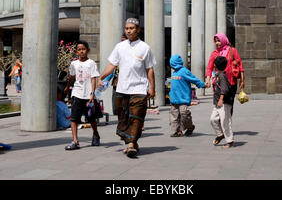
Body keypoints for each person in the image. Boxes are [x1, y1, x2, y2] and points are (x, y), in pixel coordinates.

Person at [97, 18, 156, 158]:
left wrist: (152, 87)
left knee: (136, 117)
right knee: (123, 118)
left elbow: (150, 69)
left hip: (139, 89)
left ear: (138, 29)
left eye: (131, 28)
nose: (128, 31)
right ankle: (133, 143)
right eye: (127, 28)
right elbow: (112, 65)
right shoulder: (119, 47)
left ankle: (130, 144)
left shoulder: (145, 47)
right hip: (122, 89)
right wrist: (101, 77)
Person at [64, 40, 101, 150]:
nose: (81, 51)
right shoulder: (73, 64)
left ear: (87, 50)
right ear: (76, 51)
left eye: (83, 49)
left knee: (91, 119)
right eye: (79, 50)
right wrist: (67, 86)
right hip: (77, 94)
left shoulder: (91, 63)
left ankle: (96, 134)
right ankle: (75, 141)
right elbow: (71, 76)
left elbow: (93, 79)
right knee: (74, 118)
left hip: (88, 96)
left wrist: (92, 94)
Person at [206, 33, 244, 113]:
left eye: (219, 41)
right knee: (219, 105)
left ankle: (228, 123)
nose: (217, 43)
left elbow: (240, 65)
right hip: (218, 84)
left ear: (223, 40)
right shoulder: (214, 53)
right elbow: (209, 68)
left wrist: (242, 80)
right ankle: (220, 122)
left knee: (229, 106)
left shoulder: (232, 51)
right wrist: (208, 80)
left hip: (231, 83)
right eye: (216, 41)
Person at [169, 54, 205, 137]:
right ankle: (177, 131)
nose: (171, 66)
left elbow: (194, 79)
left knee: (184, 114)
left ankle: (190, 127)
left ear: (174, 64)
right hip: (174, 99)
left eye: (171, 64)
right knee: (174, 116)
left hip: (183, 98)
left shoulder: (184, 71)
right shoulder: (174, 73)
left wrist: (202, 84)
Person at [210, 56, 234, 148]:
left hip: (223, 102)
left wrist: (221, 99)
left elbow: (224, 89)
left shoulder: (222, 76)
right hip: (217, 103)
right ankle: (220, 134)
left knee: (225, 122)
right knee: (213, 119)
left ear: (216, 65)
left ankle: (230, 141)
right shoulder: (217, 75)